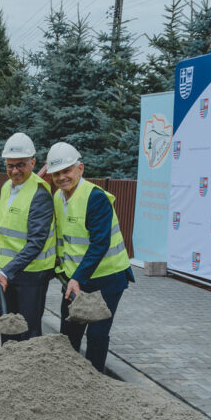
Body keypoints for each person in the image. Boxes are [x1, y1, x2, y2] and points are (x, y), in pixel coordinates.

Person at [46, 142, 133, 372]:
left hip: (107, 277)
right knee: (70, 332)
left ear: (80, 169)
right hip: (76, 279)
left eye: (67, 171)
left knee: (97, 333)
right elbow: (63, 239)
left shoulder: (96, 198)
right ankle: (71, 379)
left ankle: (96, 382)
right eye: (57, 173)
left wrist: (77, 278)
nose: (62, 177)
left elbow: (100, 243)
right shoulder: (58, 198)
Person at [0, 132, 55, 342]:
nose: (15, 170)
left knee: (28, 334)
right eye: (10, 165)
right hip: (9, 271)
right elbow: (8, 227)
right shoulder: (5, 187)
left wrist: (7, 271)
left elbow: (36, 241)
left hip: (31, 275)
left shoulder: (40, 194)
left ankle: (29, 374)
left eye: (21, 165)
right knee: (8, 330)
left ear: (33, 162)